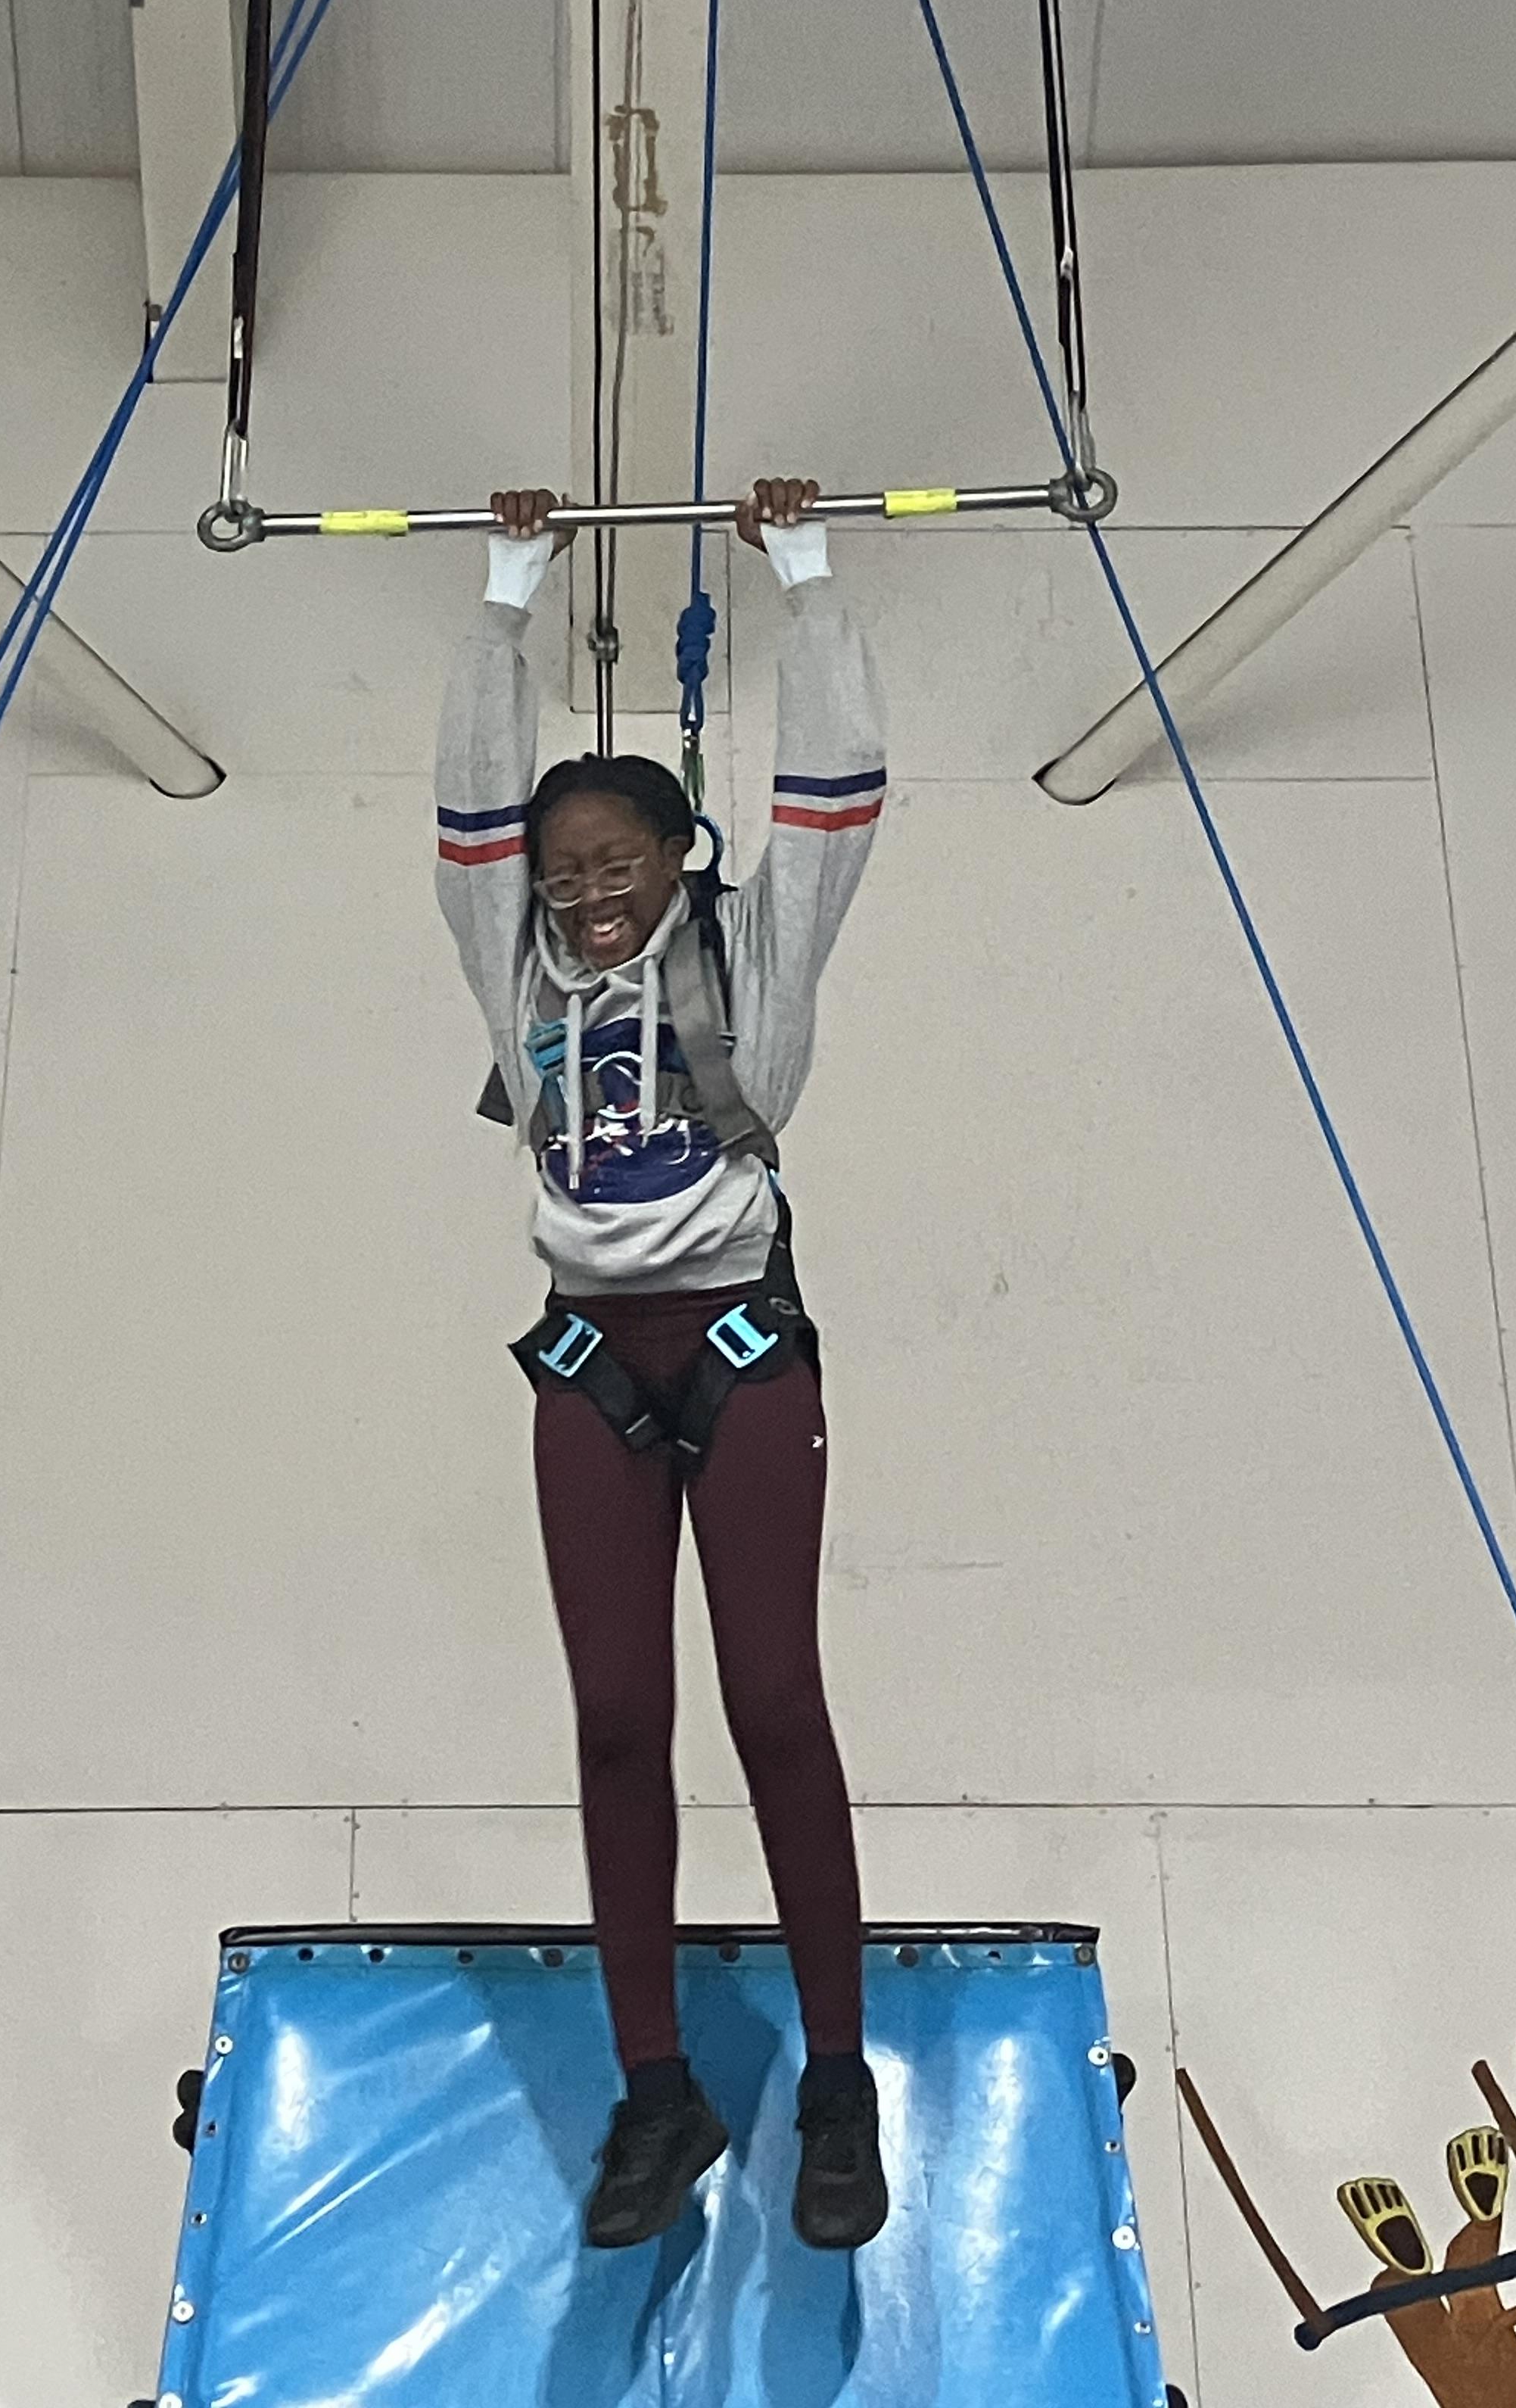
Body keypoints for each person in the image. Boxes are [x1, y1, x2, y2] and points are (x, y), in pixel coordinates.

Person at [434, 475, 890, 2257]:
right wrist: (506, 593)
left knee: (775, 1702)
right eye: (566, 874)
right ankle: (656, 2089)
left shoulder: (751, 946)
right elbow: (471, 815)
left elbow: (834, 801)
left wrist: (807, 581)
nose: (588, 894)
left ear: (680, 859)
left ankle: (835, 2080)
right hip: (588, 1370)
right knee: (619, 1719)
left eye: (618, 863)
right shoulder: (517, 966)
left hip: (740, 1345)